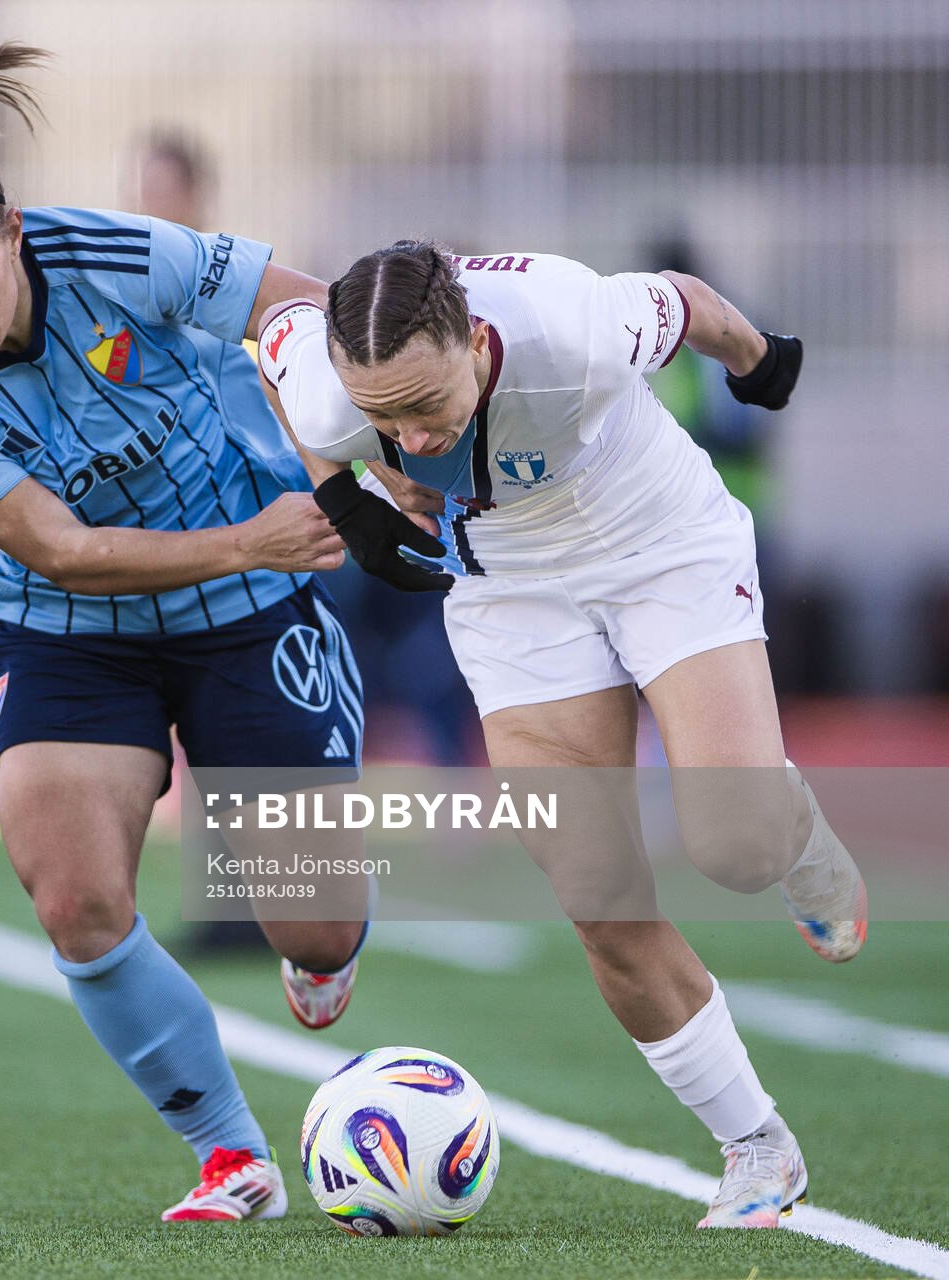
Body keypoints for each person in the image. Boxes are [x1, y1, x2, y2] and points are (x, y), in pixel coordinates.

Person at [0, 38, 381, 1222]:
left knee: (314, 920)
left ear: (14, 231)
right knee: (73, 896)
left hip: (248, 612)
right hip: (69, 626)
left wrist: (341, 463)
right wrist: (253, 539)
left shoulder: (120, 252)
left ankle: (325, 945)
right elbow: (61, 550)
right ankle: (230, 1154)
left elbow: (301, 305)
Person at [256, 240, 868, 1229]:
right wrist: (342, 495)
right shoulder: (331, 384)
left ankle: (786, 822)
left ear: (478, 341)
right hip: (512, 590)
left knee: (736, 846)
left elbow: (690, 302)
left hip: (658, 540)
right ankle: (756, 1144)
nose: (410, 438)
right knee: (596, 894)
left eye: (427, 405)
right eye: (384, 418)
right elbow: (276, 361)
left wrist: (759, 359)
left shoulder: (568, 323)